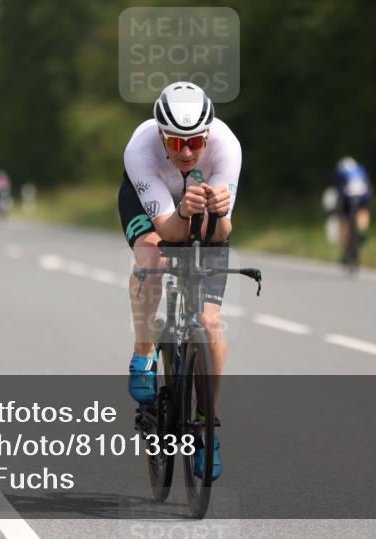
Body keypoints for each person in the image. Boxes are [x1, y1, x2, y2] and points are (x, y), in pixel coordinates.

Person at [118, 81, 241, 480]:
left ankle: (207, 427)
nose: (186, 152)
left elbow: (219, 235)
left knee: (209, 324)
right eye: (175, 143)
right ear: (160, 135)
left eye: (194, 142)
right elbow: (169, 232)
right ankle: (143, 353)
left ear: (208, 134)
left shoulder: (227, 147)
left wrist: (219, 215)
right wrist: (183, 213)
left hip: (199, 212)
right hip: (154, 208)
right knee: (153, 259)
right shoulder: (140, 150)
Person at [333, 156, 372, 263]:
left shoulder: (339, 171)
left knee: (343, 219)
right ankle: (363, 230)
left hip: (346, 195)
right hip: (363, 193)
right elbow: (368, 184)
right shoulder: (360, 169)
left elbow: (337, 189)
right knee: (363, 210)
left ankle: (345, 250)